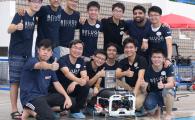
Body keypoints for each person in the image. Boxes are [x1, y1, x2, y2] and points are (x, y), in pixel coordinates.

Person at [20, 39, 72, 120]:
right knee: (50, 117)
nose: (45, 52)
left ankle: (48, 109)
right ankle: (30, 111)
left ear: (51, 53)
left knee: (71, 102)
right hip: (30, 98)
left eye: (48, 50)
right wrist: (51, 66)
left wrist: (67, 97)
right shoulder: (32, 61)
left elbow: (57, 83)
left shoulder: (50, 66)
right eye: (43, 49)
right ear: (38, 51)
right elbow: (41, 65)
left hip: (44, 96)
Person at [7, 0, 42, 119]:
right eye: (34, 1)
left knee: (27, 83)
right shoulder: (20, 14)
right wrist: (16, 26)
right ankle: (14, 109)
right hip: (16, 54)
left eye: (39, 2)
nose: (37, 4)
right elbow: (9, 29)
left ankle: (26, 108)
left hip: (28, 55)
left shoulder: (35, 17)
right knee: (15, 82)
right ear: (29, 2)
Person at [56, 40, 89, 119]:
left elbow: (84, 77)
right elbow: (67, 74)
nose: (77, 50)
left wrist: (74, 82)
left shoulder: (81, 61)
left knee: (85, 86)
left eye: (80, 49)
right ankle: (56, 110)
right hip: (60, 88)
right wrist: (79, 80)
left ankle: (75, 111)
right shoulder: (62, 60)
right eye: (75, 48)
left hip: (72, 87)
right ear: (70, 48)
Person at [116, 37, 147, 111]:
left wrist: (134, 94)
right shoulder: (122, 61)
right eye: (126, 47)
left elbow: (140, 77)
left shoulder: (141, 60)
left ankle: (144, 103)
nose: (128, 50)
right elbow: (116, 74)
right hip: (128, 88)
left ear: (136, 49)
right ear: (124, 49)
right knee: (114, 80)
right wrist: (125, 73)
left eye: (131, 47)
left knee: (135, 104)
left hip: (140, 89)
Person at [142, 49, 175, 120]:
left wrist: (163, 85)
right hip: (153, 92)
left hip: (165, 91)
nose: (156, 59)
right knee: (148, 105)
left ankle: (168, 114)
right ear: (151, 58)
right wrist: (144, 86)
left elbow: (171, 83)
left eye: (159, 57)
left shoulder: (168, 67)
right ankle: (158, 108)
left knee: (169, 92)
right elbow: (145, 86)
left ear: (163, 59)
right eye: (154, 57)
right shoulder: (148, 69)